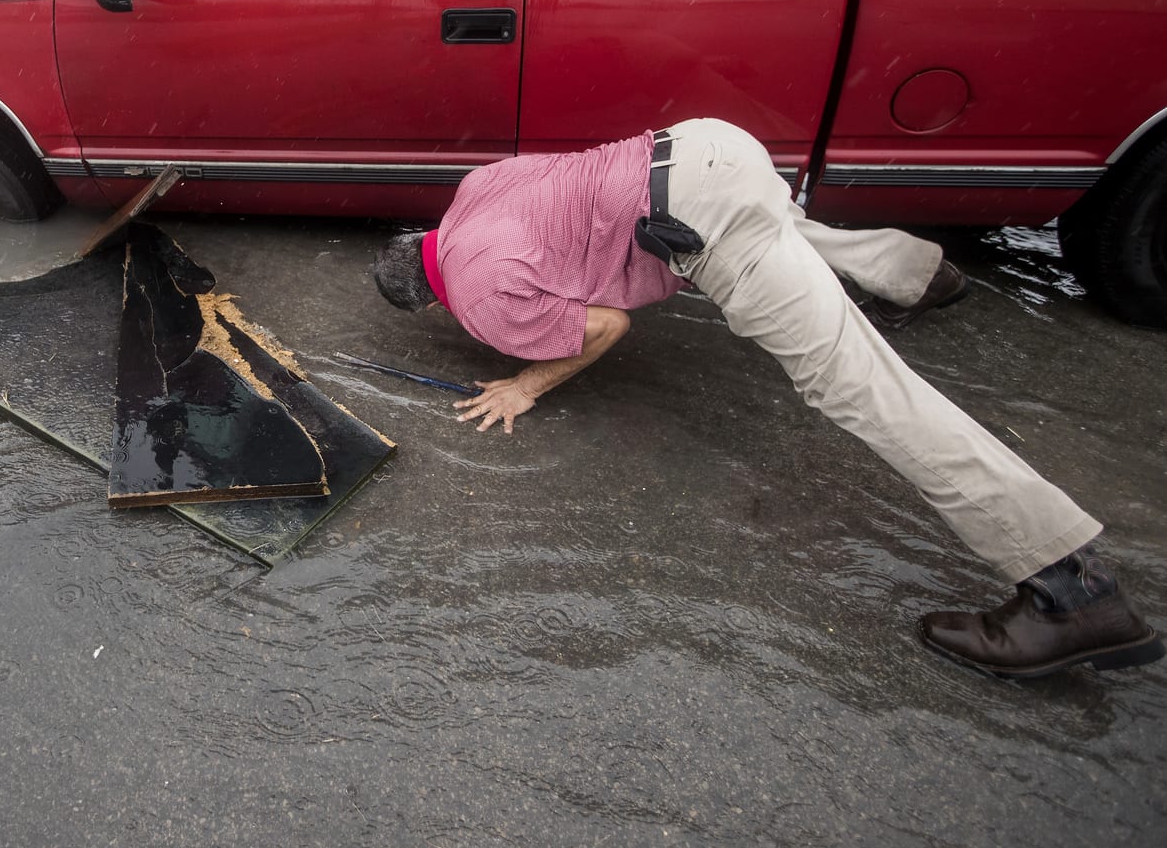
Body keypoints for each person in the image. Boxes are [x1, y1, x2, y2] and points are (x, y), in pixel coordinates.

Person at [372, 118, 1161, 680]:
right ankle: (924, 277)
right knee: (778, 230)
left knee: (858, 385)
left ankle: (1072, 586)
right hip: (705, 149)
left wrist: (523, 382)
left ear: (432, 302)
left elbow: (604, 325)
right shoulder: (475, 189)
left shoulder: (475, 295)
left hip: (696, 220)